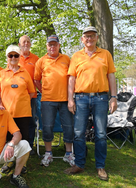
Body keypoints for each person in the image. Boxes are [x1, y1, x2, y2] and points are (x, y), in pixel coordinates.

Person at [64, 26, 117, 181]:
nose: (89, 39)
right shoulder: (76, 56)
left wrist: (113, 97)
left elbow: (111, 76)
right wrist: (70, 98)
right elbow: (71, 79)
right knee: (78, 133)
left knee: (101, 134)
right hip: (80, 99)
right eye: (86, 36)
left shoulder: (105, 54)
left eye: (92, 36)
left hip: (101, 98)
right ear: (82, 39)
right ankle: (79, 164)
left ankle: (100, 166)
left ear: (97, 38)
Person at [34, 35, 74, 167]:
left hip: (65, 100)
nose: (52, 47)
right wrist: (44, 91)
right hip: (47, 100)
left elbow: (72, 77)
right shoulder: (41, 61)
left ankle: (69, 154)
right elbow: (36, 80)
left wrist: (70, 97)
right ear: (46, 46)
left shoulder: (66, 59)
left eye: (55, 44)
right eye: (50, 44)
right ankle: (48, 153)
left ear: (59, 45)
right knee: (47, 126)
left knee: (68, 126)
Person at [0, 45, 35, 174]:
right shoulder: (1, 74)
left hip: (23, 113)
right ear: (7, 57)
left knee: (23, 139)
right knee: (7, 139)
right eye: (10, 55)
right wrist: (1, 104)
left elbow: (31, 92)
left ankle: (21, 164)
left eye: (16, 55)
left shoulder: (25, 72)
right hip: (6, 114)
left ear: (19, 57)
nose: (13, 58)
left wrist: (19, 101)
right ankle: (9, 161)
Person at [18, 35, 39, 155]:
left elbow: (39, 78)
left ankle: (30, 146)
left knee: (31, 122)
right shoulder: (14, 57)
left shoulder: (36, 59)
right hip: (17, 97)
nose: (26, 43)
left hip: (32, 97)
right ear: (19, 45)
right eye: (24, 42)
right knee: (18, 121)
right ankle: (18, 146)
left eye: (28, 42)